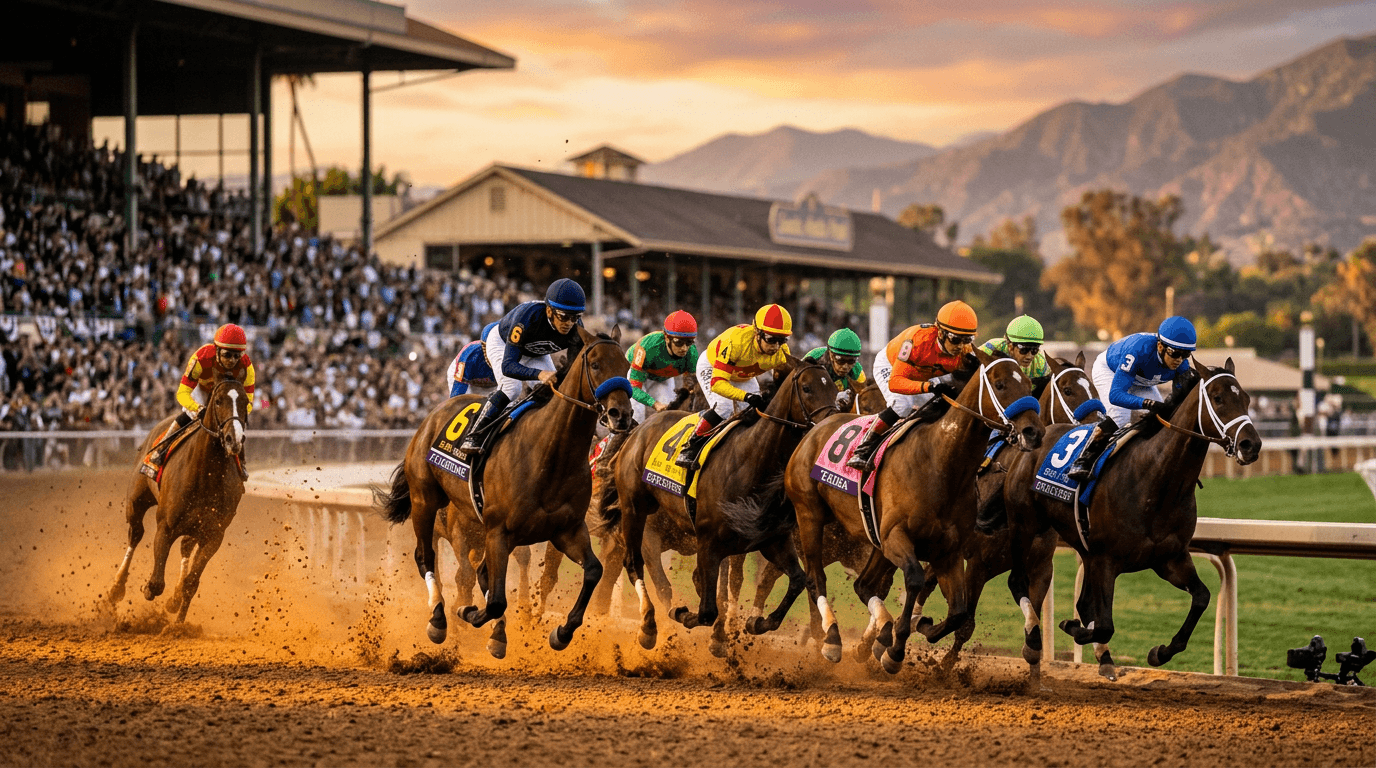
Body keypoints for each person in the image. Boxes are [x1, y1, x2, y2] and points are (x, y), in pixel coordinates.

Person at [458, 278, 586, 456]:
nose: (569, 323)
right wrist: (539, 374)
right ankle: (475, 433)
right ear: (549, 310)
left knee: (551, 392)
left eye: (575, 317)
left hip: (535, 351)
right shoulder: (528, 318)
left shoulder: (576, 329)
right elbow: (508, 366)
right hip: (502, 343)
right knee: (512, 388)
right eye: (564, 316)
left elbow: (573, 370)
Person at [846, 300, 977, 471]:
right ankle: (863, 449)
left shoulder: (966, 351)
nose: (960, 346)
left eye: (967, 340)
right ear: (941, 333)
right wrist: (929, 387)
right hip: (892, 367)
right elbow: (896, 382)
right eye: (955, 339)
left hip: (925, 374)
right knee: (902, 405)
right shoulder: (916, 341)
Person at [1066, 315, 1196, 481]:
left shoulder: (1181, 365)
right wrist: (1146, 403)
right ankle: (1085, 459)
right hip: (1110, 370)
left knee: (1161, 420)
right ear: (1160, 346)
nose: (1179, 360)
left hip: (1140, 380)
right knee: (1120, 416)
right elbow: (1116, 395)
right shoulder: (1138, 351)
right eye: (1175, 353)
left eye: (1185, 354)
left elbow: (1177, 403)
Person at [675, 304, 792, 469]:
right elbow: (718, 384)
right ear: (757, 332)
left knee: (755, 413)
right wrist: (746, 396)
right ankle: (691, 446)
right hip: (713, 368)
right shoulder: (736, 341)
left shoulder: (781, 353)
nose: (776, 346)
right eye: (771, 339)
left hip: (743, 375)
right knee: (724, 408)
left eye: (782, 340)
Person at [148, 323, 256, 480]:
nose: (232, 360)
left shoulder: (247, 367)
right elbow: (182, 392)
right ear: (216, 350)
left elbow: (248, 401)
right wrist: (197, 408)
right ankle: (161, 450)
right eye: (227, 355)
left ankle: (242, 462)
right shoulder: (201, 358)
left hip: (227, 395)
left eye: (236, 356)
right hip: (203, 390)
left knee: (235, 423)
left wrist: (236, 414)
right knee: (189, 414)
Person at [626, 310, 698, 423]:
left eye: (689, 342)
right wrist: (654, 403)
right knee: (637, 415)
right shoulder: (647, 348)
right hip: (637, 372)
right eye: (678, 342)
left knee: (668, 415)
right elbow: (634, 388)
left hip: (662, 378)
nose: (684, 348)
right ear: (666, 337)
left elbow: (689, 388)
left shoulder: (692, 354)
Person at [980, 314, 1050, 392]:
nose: (1029, 356)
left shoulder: (1040, 364)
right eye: (1024, 350)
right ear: (1010, 347)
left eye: (1034, 350)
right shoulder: (990, 349)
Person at [803, 328, 867, 405]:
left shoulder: (858, 373)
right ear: (831, 354)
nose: (845, 367)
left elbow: (863, 401)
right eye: (841, 360)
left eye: (851, 361)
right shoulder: (813, 358)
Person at [447, 322, 498, 398]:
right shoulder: (469, 357)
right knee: (463, 404)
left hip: (489, 385)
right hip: (464, 379)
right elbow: (458, 395)